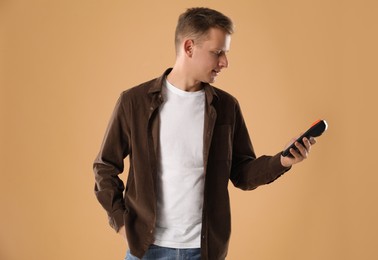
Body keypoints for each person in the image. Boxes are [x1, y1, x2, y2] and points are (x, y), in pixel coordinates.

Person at [93, 7, 316, 260]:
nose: (224, 62)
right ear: (189, 48)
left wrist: (283, 160)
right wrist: (121, 223)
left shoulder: (226, 107)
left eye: (225, 53)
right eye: (217, 52)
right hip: (147, 250)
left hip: (204, 251)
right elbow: (105, 167)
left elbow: (242, 173)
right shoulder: (134, 102)